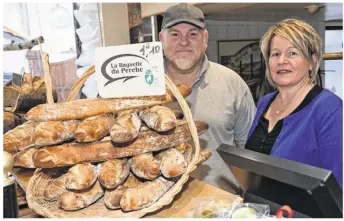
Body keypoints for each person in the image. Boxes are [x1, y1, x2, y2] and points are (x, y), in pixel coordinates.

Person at [159, 3, 256, 192]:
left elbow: (251, 154)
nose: (184, 42)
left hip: (221, 206)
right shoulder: (143, 88)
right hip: (159, 208)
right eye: (175, 34)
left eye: (193, 34)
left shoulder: (232, 84)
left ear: (205, 39)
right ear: (162, 39)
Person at [245, 18, 343, 188]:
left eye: (292, 53)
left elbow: (338, 184)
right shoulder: (265, 103)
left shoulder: (329, 109)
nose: (282, 60)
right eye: (275, 54)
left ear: (312, 61)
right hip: (261, 210)